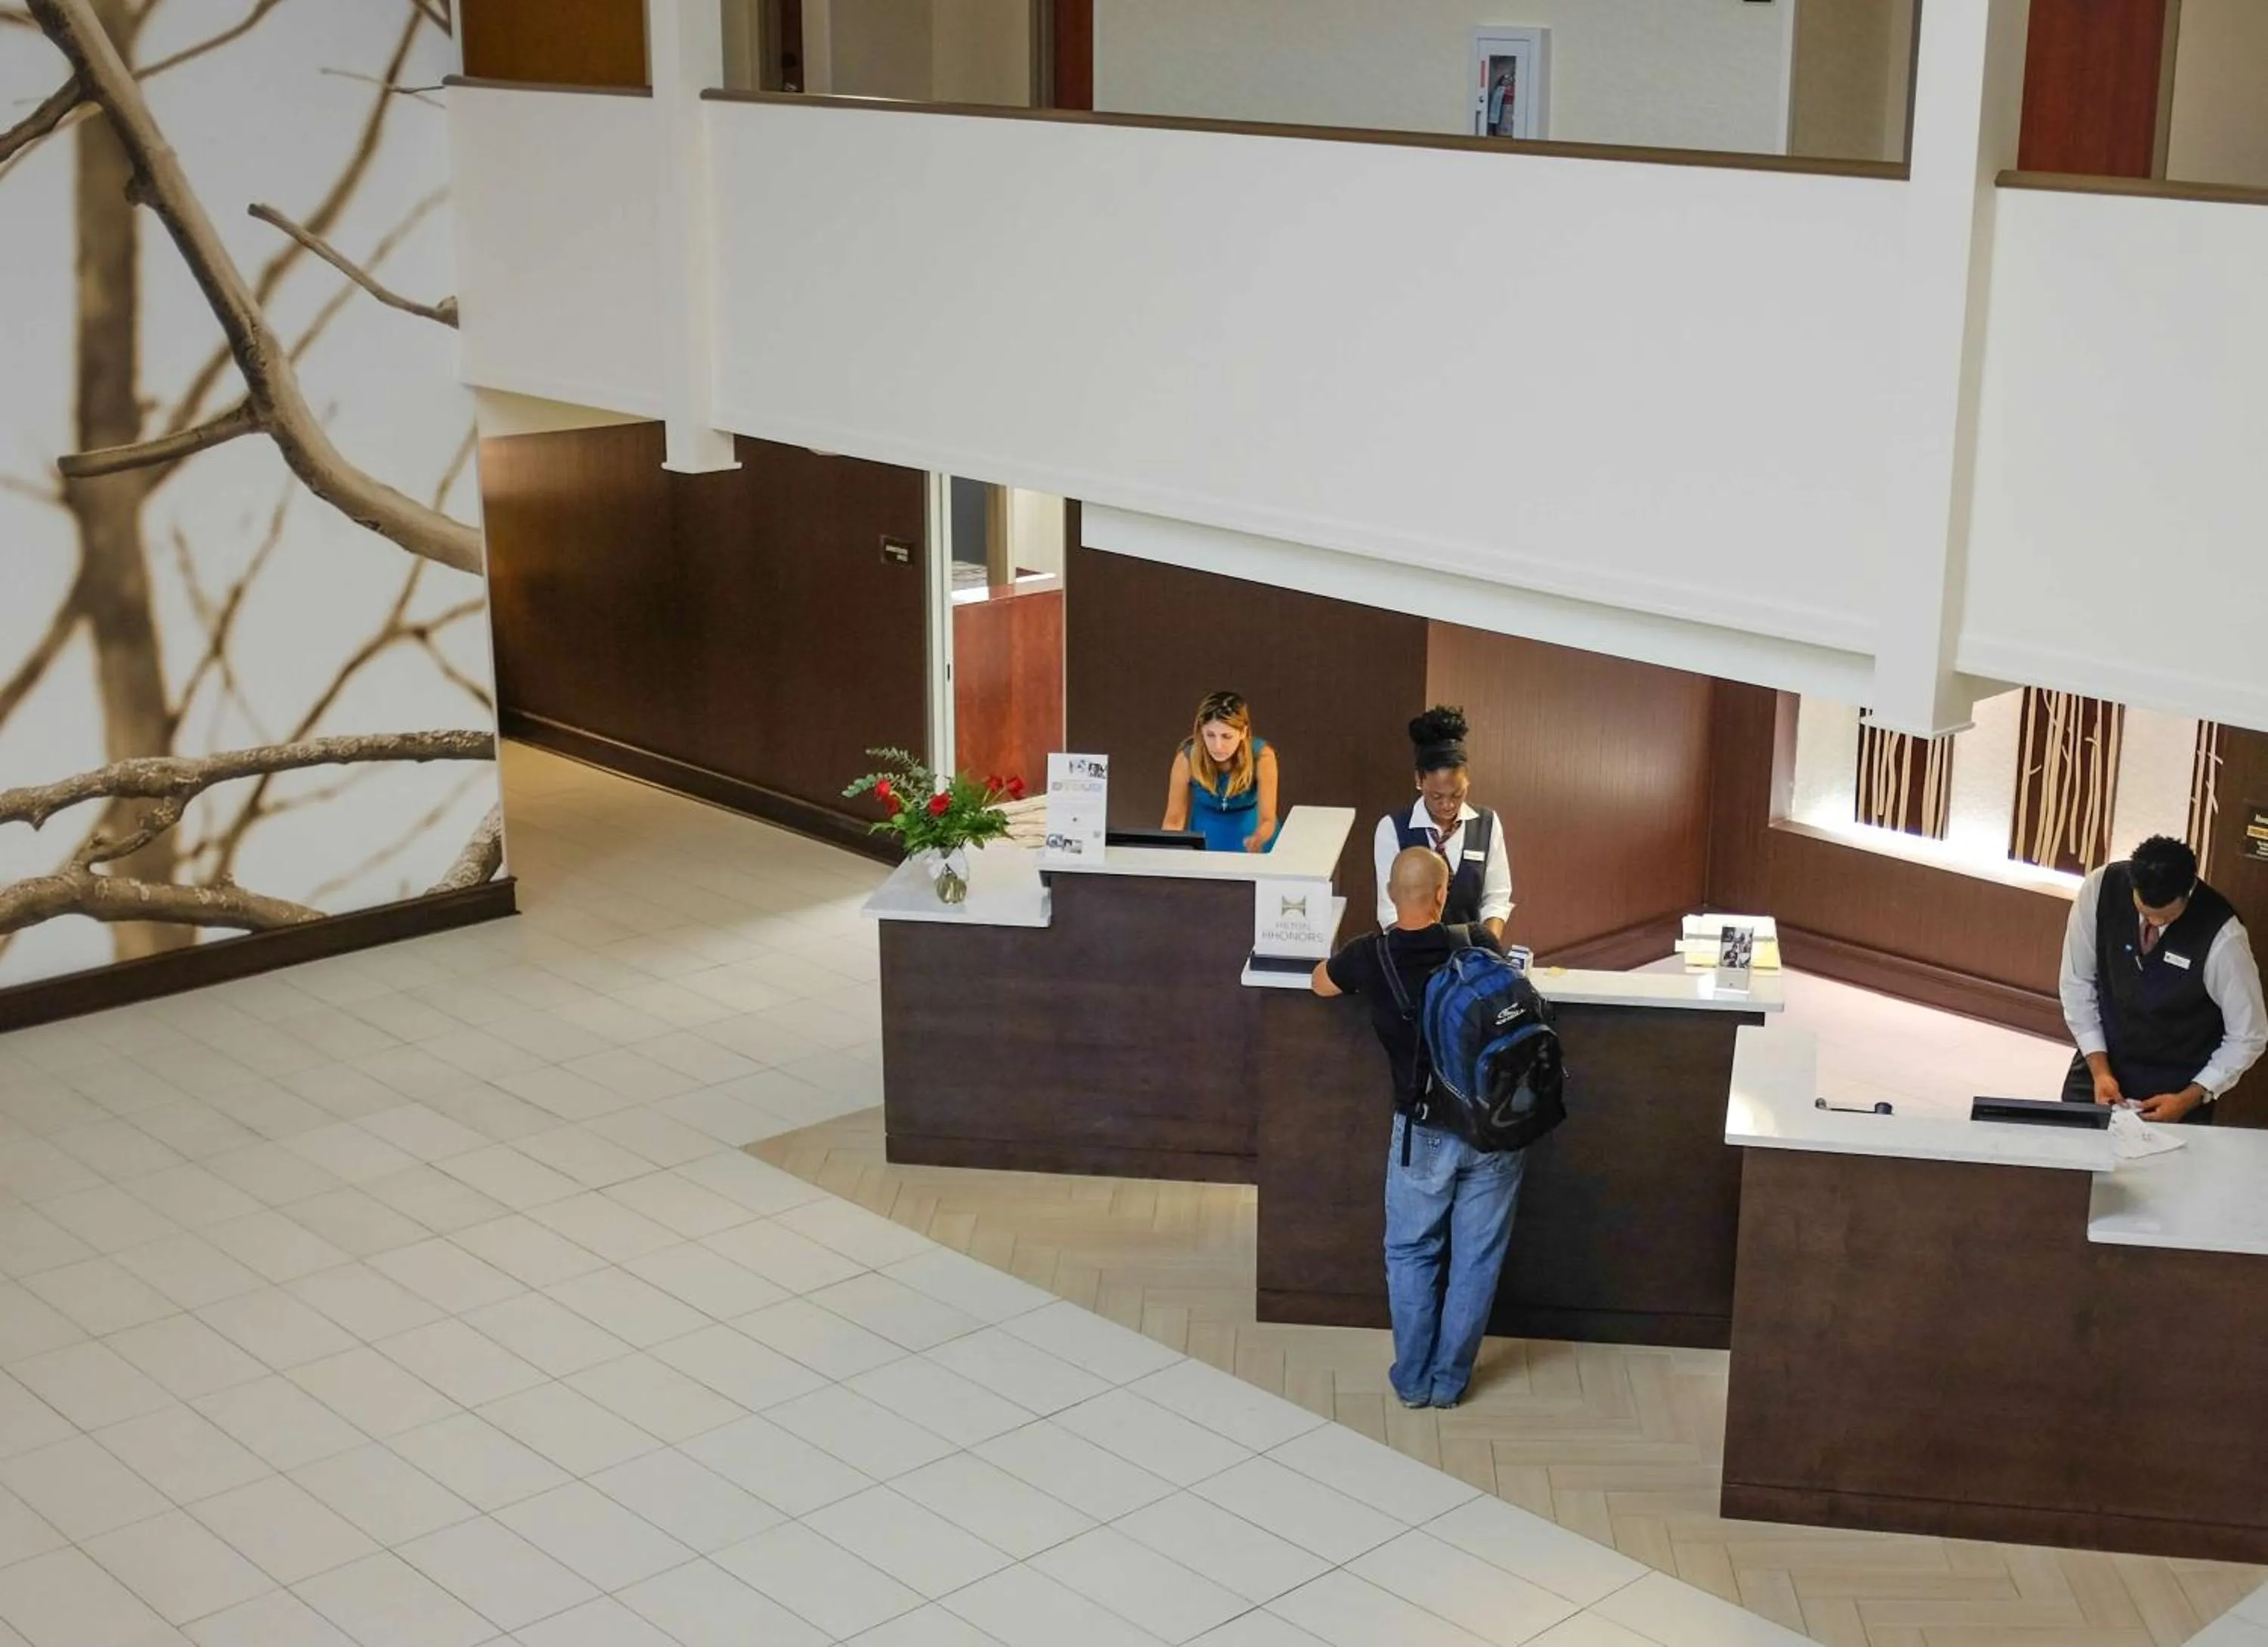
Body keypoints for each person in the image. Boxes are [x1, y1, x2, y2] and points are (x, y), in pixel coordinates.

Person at [1313, 847, 1520, 1410]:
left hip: (1423, 1131)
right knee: (1476, 1258)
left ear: (1388, 892)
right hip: (1494, 1128)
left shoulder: (1368, 957)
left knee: (1411, 1253)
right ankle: (1450, 1381)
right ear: (1442, 892)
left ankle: (1412, 1380)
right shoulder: (1478, 940)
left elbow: (1318, 983)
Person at [2059, 834, 2264, 1124]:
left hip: (2177, 1083)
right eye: (2145, 913)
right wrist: (2100, 1071)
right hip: (2102, 1061)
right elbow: (2077, 984)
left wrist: (2192, 1096)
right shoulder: (2100, 889)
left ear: (2189, 891)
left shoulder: (2224, 936)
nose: (2153, 923)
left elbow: (2249, 1035)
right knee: (2070, 1151)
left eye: (2166, 918)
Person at [1375, 706, 1511, 939]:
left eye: (1457, 794)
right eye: (1437, 796)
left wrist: (1489, 950)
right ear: (1419, 780)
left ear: (1468, 780)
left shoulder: (1486, 824)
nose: (1448, 805)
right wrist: (1416, 955)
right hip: (1412, 956)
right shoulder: (1393, 829)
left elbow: (1496, 898)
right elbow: (1389, 910)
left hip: (1472, 955)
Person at [1163, 690, 1279, 853]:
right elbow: (1174, 821)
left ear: (1243, 732)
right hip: (1206, 845)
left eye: (1226, 736)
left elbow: (1268, 819)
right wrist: (1169, 856)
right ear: (1201, 731)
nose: (1218, 746)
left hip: (1255, 842)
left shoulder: (1263, 757)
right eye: (1210, 735)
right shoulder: (1186, 760)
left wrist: (1258, 839)